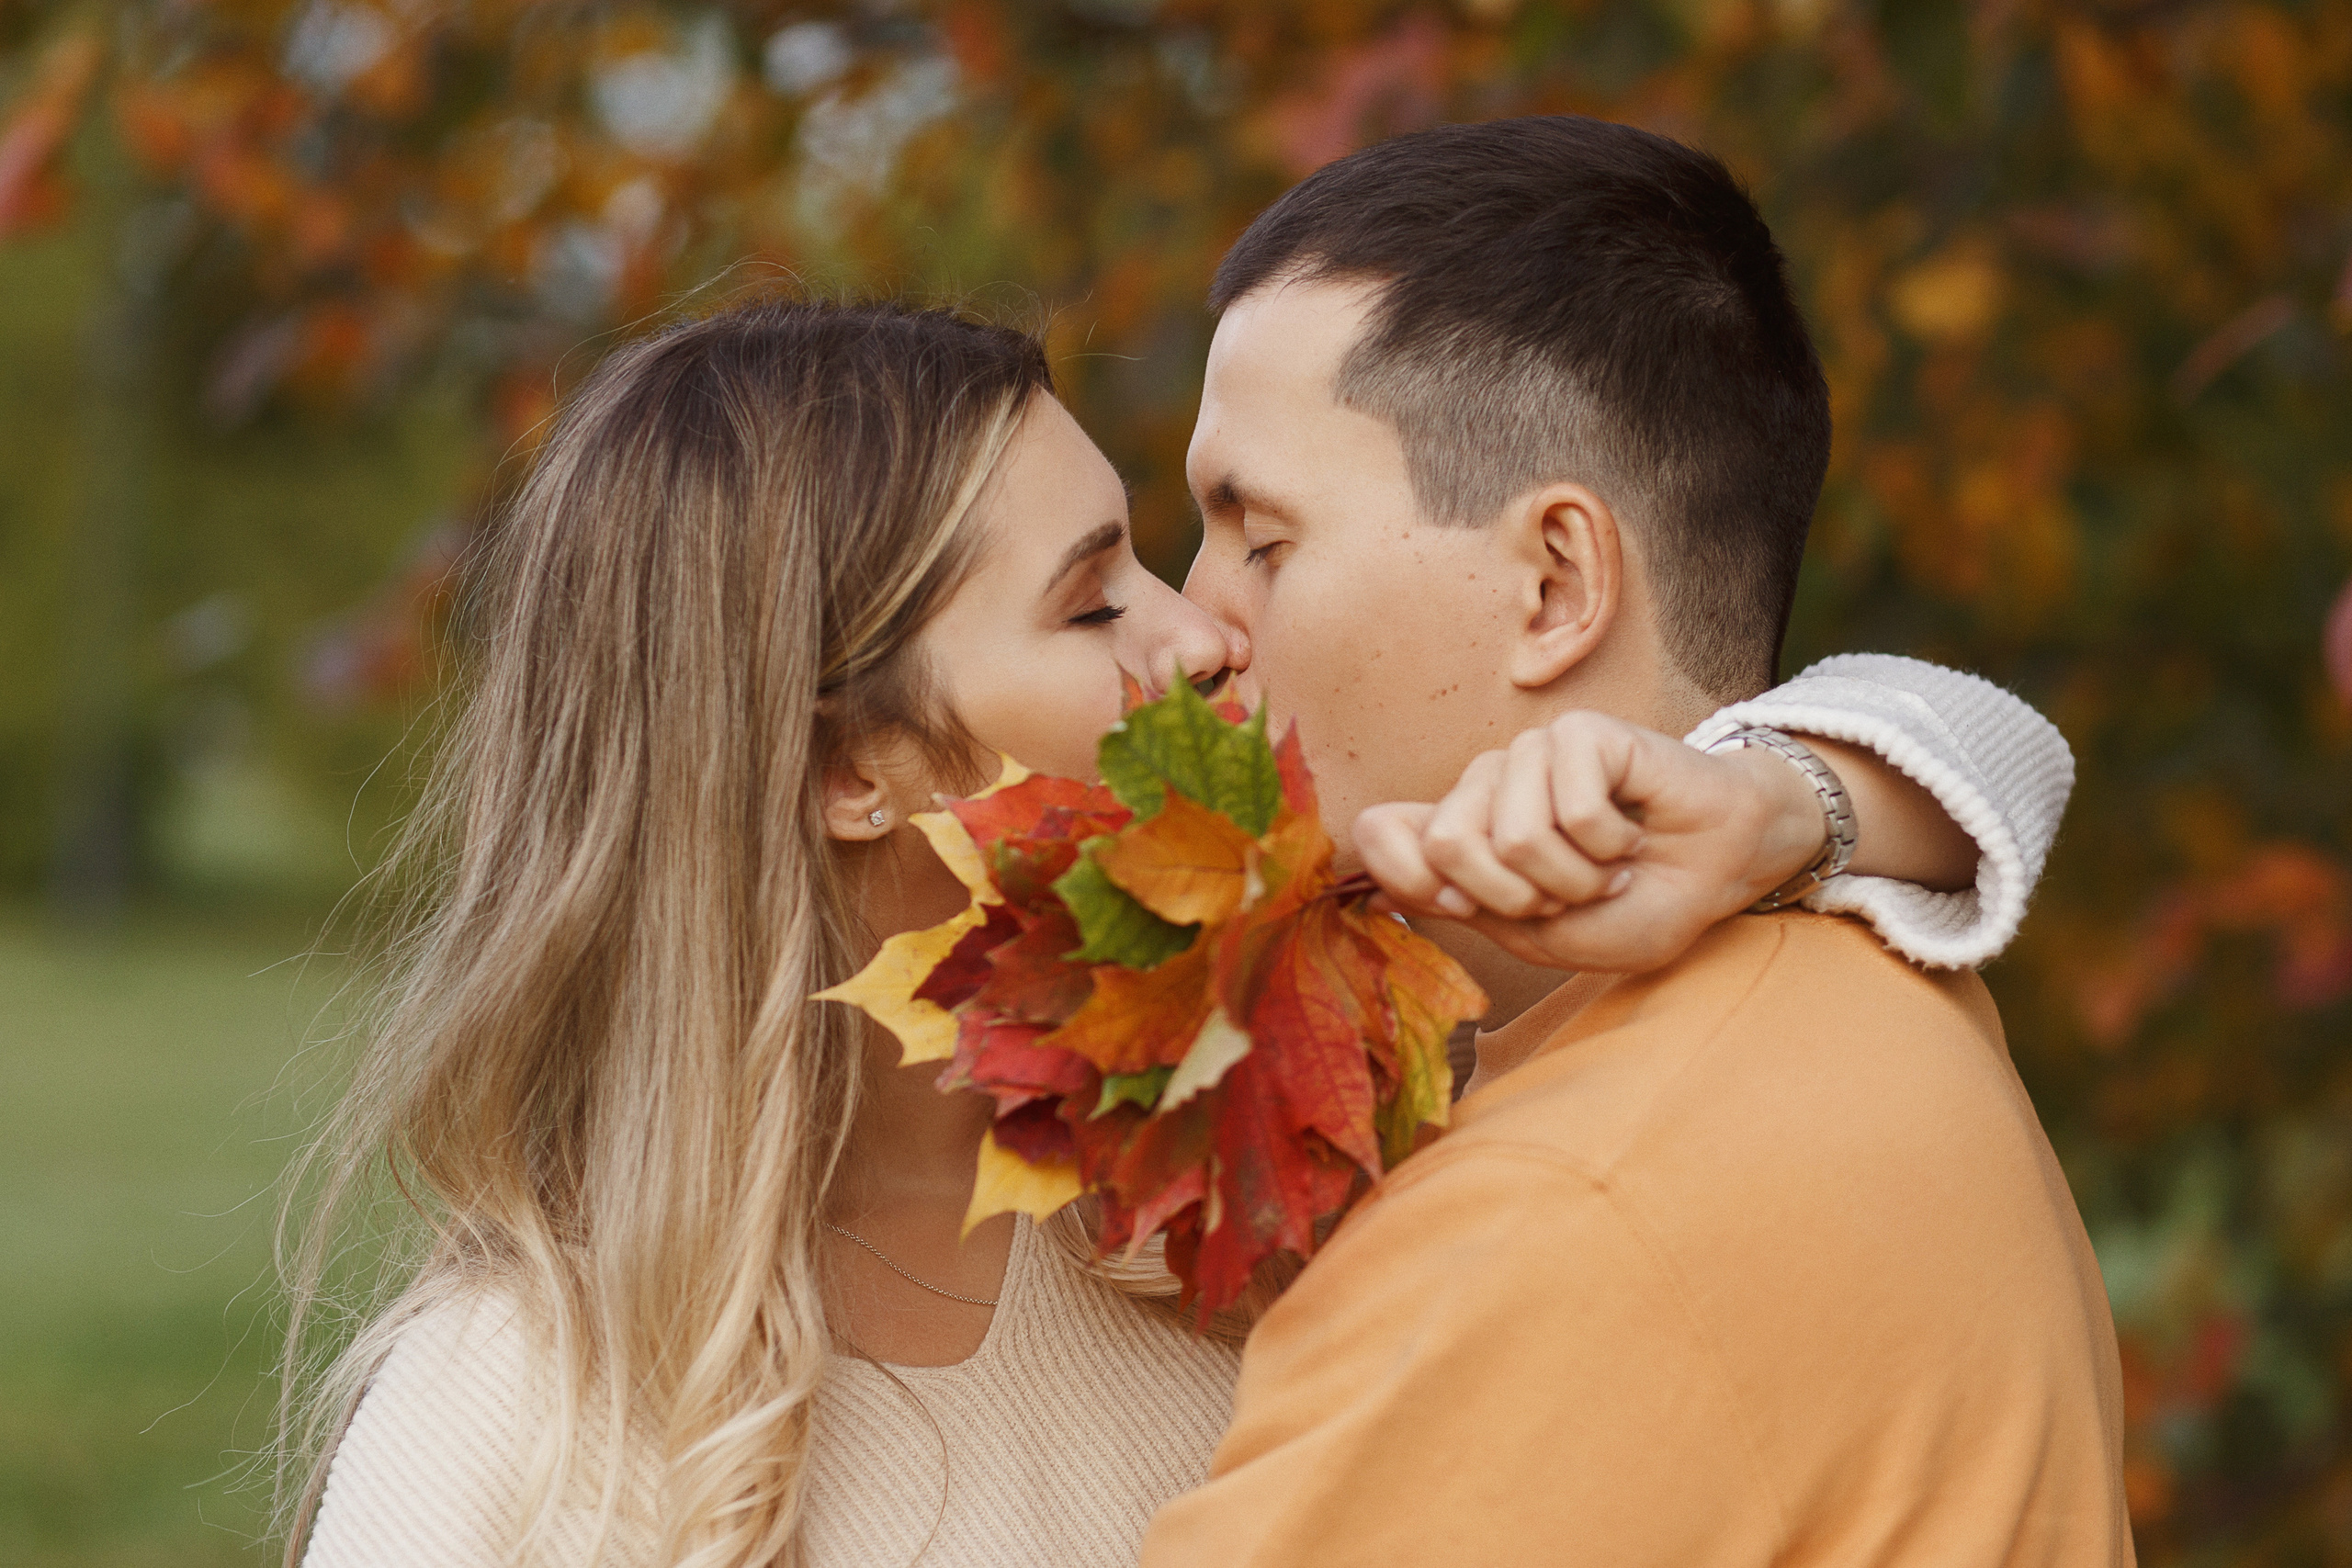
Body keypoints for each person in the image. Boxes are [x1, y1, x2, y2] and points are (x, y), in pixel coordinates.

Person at [283, 297, 2073, 1568]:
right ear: (849, 761)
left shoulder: (1267, 1127)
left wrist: (1788, 798)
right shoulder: (518, 1425)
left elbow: (1984, 746)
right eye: (1090, 602)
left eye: (1161, 555)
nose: (1204, 636)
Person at [1139, 118, 2128, 1563]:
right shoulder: (1871, 992)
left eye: (1259, 539)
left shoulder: (1564, 1208)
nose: (1186, 626)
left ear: (1553, 584)